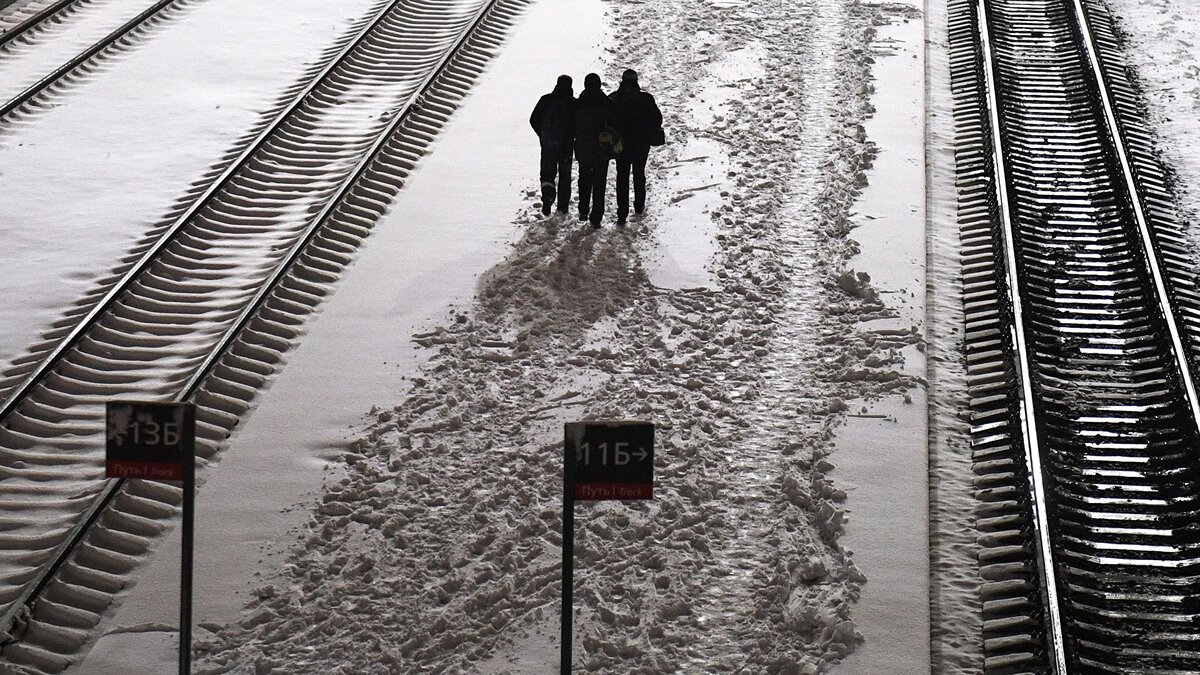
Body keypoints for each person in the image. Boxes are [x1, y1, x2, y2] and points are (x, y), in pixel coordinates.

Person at [609, 69, 663, 226]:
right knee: (639, 173)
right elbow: (657, 119)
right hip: (641, 144)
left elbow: (608, 121)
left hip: (622, 145)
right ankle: (639, 206)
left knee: (622, 176)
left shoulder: (614, 99)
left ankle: (622, 212)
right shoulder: (646, 99)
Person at [573, 73, 615, 229]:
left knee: (584, 178)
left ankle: (583, 209)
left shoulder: (578, 104)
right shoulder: (607, 103)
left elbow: (571, 126)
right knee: (599, 183)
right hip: (601, 150)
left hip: (583, 148)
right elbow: (616, 123)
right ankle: (597, 216)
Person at [529, 75, 576, 216]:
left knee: (547, 173)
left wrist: (543, 135)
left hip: (549, 145)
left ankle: (548, 197)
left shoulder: (546, 100)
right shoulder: (573, 103)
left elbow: (533, 119)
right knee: (565, 176)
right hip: (566, 146)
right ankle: (563, 207)